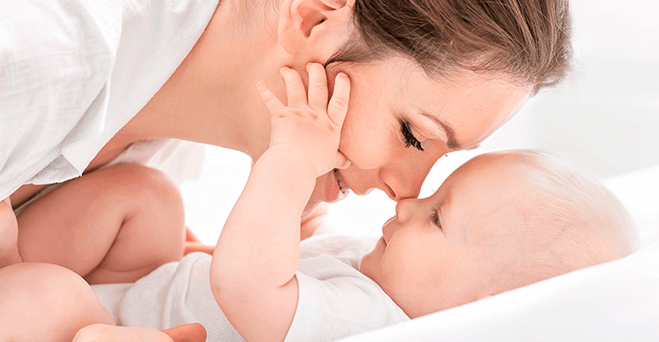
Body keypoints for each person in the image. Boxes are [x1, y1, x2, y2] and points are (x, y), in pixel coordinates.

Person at [0, 69, 636, 342]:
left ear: (482, 303)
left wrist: (288, 162)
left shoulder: (370, 324)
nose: (407, 206)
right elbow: (283, 257)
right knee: (148, 198)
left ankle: (16, 268)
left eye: (438, 217)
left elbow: (251, 283)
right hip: (149, 289)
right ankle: (19, 260)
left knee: (51, 295)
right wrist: (304, 205)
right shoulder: (375, 272)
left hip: (119, 326)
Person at [1, 0, 573, 257]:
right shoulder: (43, 57)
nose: (409, 193)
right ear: (314, 19)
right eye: (412, 134)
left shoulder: (160, 123)